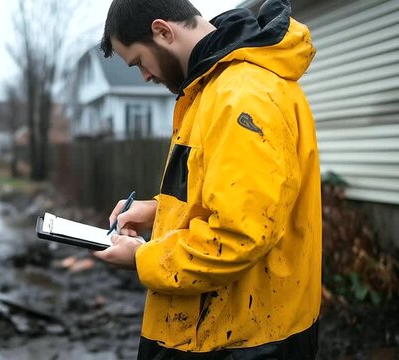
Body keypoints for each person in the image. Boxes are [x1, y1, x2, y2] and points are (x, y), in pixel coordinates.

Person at [92, 0, 322, 358]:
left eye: (139, 62)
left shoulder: (242, 96)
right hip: (228, 327)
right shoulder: (212, 88)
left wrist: (142, 258)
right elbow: (223, 197)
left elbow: (238, 236)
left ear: (163, 31)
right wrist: (156, 210)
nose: (145, 76)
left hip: (243, 342)